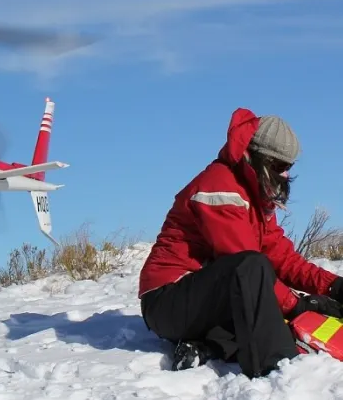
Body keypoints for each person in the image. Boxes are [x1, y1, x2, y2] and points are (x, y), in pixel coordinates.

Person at [138, 107, 343, 378]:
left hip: (203, 298)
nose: (284, 176)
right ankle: (278, 367)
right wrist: (298, 305)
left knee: (264, 299)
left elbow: (282, 258)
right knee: (253, 271)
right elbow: (245, 266)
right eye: (279, 166)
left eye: (289, 167)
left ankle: (208, 346)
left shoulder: (255, 199)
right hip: (167, 301)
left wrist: (332, 286)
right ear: (254, 157)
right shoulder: (221, 188)